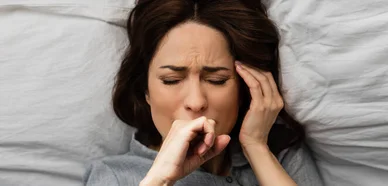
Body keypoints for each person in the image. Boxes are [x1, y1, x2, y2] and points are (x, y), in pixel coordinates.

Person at [83, 0, 323, 185]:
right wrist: (160, 180)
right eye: (172, 80)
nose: (196, 102)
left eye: (217, 80)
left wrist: (256, 146)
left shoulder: (280, 155)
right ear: (145, 90)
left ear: (244, 88)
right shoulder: (114, 176)